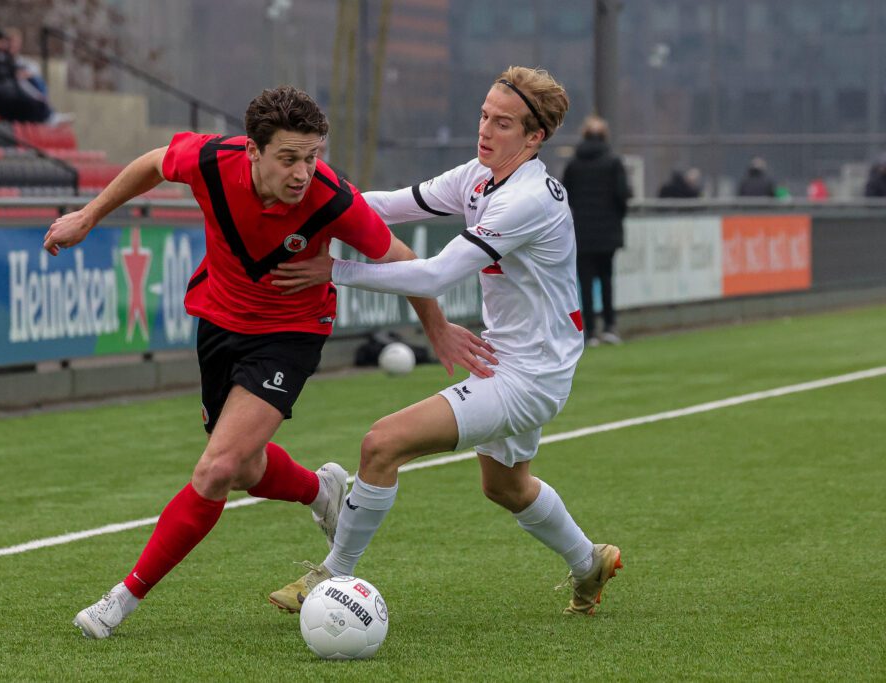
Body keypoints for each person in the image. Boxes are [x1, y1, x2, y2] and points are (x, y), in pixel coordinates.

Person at [44, 86, 492, 639]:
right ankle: (320, 491)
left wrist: (437, 328)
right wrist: (88, 216)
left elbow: (401, 258)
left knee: (216, 469)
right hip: (218, 321)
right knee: (243, 468)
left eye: (312, 156)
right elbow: (154, 162)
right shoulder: (212, 160)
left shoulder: (331, 197)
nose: (303, 172)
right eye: (288, 158)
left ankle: (122, 598)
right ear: (253, 151)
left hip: (291, 332)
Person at [267, 67, 622, 618]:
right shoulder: (481, 175)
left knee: (381, 444)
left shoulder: (527, 199)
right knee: (506, 487)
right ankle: (588, 561)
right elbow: (386, 205)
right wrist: (309, 197)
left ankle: (333, 573)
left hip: (529, 374)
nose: (485, 129)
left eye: (502, 123)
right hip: (514, 358)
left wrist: (334, 270)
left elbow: (434, 275)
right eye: (484, 115)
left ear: (534, 138)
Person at [561, 115, 630, 346]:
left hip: (581, 231)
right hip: (608, 231)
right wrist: (617, 218)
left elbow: (565, 195)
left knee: (585, 282)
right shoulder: (613, 162)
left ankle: (589, 331)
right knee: (607, 278)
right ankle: (609, 326)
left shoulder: (573, 164)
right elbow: (622, 195)